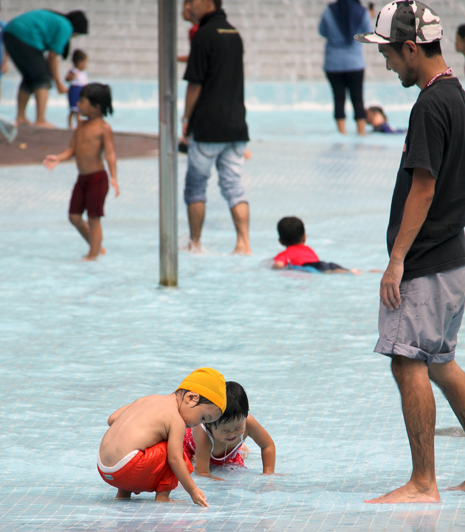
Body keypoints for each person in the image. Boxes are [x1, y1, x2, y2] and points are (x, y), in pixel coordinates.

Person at [355, 0, 465, 503]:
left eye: (390, 56)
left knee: (408, 362)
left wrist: (397, 260)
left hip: (426, 260)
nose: (386, 65)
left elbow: (424, 187)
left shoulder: (429, 104)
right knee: (441, 361)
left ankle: (424, 483)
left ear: (411, 47)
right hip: (455, 255)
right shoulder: (458, 96)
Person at [97, 368, 226, 506]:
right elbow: (175, 459)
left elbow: (112, 419)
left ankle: (123, 494)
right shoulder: (176, 421)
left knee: (135, 444)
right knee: (175, 452)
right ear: (191, 398)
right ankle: (163, 497)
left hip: (104, 468)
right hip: (128, 472)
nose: (198, 424)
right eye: (202, 417)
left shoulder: (148, 399)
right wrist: (193, 490)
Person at [181, 0, 251, 254]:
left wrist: (185, 119)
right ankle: (243, 243)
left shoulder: (204, 35)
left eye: (191, 1)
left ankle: (195, 243)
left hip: (208, 126)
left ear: (208, 3)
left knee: (196, 186)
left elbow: (195, 83)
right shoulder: (234, 33)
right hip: (236, 125)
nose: (187, 5)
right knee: (233, 185)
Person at [43, 83, 119, 261]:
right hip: (82, 179)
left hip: (97, 179)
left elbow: (110, 154)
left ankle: (93, 255)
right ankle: (96, 247)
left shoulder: (103, 128)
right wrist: (59, 158)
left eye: (82, 101)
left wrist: (114, 177)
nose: (78, 103)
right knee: (74, 217)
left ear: (95, 107)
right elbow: (72, 149)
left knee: (94, 218)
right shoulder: (81, 125)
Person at [3, 9, 88, 127]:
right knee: (42, 78)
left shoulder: (58, 20)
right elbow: (52, 57)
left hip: (9, 32)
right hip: (25, 37)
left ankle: (20, 117)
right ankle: (40, 119)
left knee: (29, 77)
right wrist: (58, 83)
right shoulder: (66, 26)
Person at [183, 381, 276, 481]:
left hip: (226, 454)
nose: (232, 434)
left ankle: (239, 449)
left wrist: (268, 473)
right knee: (185, 470)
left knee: (238, 475)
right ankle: (241, 449)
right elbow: (202, 472)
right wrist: (218, 481)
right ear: (208, 422)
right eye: (225, 430)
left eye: (238, 428)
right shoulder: (204, 436)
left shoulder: (248, 422)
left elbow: (267, 446)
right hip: (192, 450)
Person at [319, 0, 372, 135]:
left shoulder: (329, 11)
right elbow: (367, 33)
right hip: (355, 62)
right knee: (358, 99)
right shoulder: (362, 12)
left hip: (333, 62)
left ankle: (342, 134)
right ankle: (361, 133)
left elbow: (322, 31)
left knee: (338, 98)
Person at [273, 217, 355, 273]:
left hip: (311, 267)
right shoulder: (308, 249)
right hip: (323, 264)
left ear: (280, 241)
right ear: (304, 238)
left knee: (329, 272)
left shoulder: (283, 254)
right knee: (337, 270)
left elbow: (279, 265)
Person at [66, 49, 88, 129]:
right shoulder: (73, 71)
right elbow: (67, 78)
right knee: (73, 109)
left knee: (79, 109)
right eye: (84, 62)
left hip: (81, 91)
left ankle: (78, 124)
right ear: (79, 62)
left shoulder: (82, 72)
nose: (85, 65)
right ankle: (70, 124)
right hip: (75, 91)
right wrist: (72, 76)